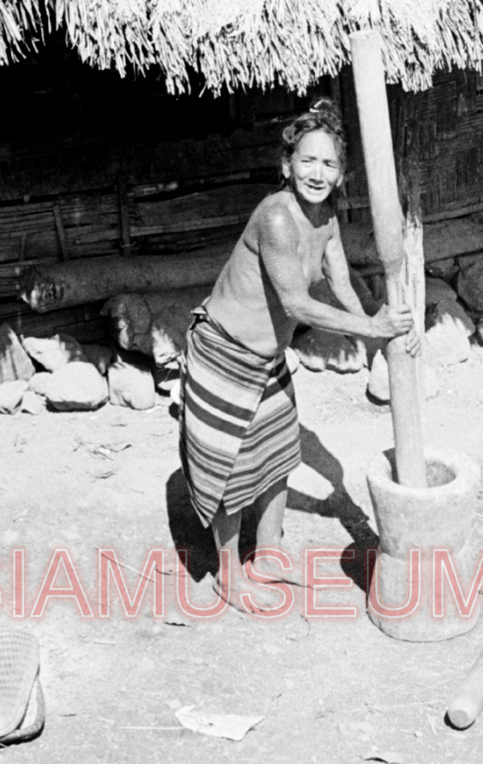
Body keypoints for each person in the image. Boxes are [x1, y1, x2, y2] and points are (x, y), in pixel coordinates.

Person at [178, 98, 416, 612]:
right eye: (307, 160)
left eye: (329, 164)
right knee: (234, 470)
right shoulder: (278, 218)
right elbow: (296, 302)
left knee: (280, 450)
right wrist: (372, 326)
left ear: (340, 174)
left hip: (265, 361)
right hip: (224, 353)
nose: (317, 172)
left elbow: (341, 282)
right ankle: (229, 578)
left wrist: (381, 336)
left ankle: (267, 552)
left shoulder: (326, 217)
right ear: (286, 166)